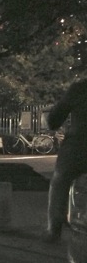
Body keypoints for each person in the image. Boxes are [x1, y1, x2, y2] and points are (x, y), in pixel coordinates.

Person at [44, 80, 87, 243]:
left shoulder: (79, 88)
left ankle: (54, 229)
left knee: (60, 181)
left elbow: (54, 120)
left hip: (78, 146)